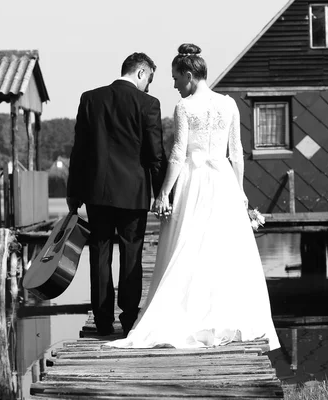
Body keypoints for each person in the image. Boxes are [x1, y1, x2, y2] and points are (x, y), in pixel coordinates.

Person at [107, 44, 281, 350]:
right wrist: (239, 190)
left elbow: (177, 154)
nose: (174, 85)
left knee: (187, 244)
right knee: (222, 249)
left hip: (194, 180)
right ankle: (224, 317)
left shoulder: (184, 107)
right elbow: (236, 153)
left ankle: (191, 314)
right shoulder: (229, 104)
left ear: (189, 76)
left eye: (176, 79)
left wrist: (163, 192)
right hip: (224, 180)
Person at [67, 52, 167, 336]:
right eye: (149, 79)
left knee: (99, 253)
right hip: (134, 193)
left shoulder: (91, 99)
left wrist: (74, 193)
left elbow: (79, 152)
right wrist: (161, 194)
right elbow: (155, 155)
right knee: (131, 253)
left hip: (97, 192)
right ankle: (128, 319)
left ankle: (101, 321)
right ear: (140, 73)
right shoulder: (148, 104)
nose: (148, 86)